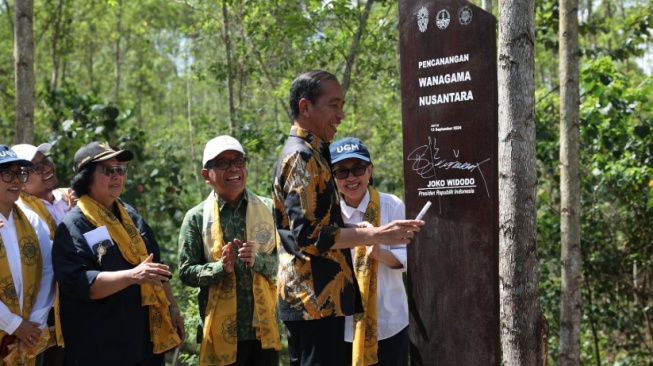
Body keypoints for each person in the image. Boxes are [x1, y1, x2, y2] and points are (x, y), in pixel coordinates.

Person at [273, 70, 424, 366]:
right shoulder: (301, 157)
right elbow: (311, 236)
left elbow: (321, 226)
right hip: (312, 301)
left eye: (341, 105)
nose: (340, 114)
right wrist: (377, 235)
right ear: (305, 107)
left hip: (324, 304)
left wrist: (374, 234)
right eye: (333, 105)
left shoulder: (315, 154)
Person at [51, 142, 185, 366]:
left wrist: (172, 307)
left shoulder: (129, 214)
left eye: (120, 169)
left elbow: (156, 267)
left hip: (143, 340)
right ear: (86, 178)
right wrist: (132, 276)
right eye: (107, 170)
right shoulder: (74, 225)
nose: (117, 176)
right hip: (101, 347)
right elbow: (82, 283)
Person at [178, 135, 280, 366]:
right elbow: (185, 271)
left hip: (262, 329)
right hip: (219, 331)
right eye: (223, 163)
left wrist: (259, 260)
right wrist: (220, 268)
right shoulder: (196, 218)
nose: (233, 168)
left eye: (238, 160)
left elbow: (287, 262)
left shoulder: (269, 209)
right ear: (206, 175)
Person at [330, 137, 409, 366]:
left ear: (370, 170)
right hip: (344, 326)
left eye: (358, 168)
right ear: (332, 177)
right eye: (341, 172)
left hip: (390, 323)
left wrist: (378, 251)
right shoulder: (329, 216)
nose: (351, 178)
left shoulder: (391, 205)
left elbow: (410, 258)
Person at [12, 143, 74, 366]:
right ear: (20, 183)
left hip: (79, 312)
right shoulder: (20, 214)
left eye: (46, 161)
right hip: (43, 317)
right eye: (36, 168)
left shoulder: (72, 198)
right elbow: (47, 265)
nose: (47, 168)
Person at [0, 145, 55, 366]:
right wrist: (13, 324)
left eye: (19, 174)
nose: (16, 181)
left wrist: (33, 325)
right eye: (6, 174)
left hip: (28, 336)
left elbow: (49, 272)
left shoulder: (32, 220)